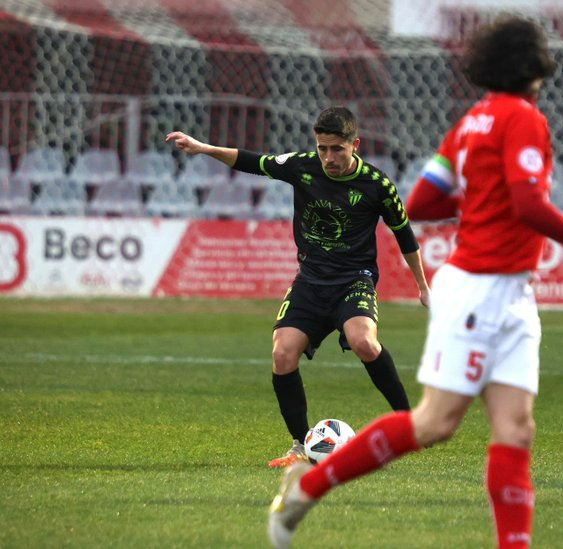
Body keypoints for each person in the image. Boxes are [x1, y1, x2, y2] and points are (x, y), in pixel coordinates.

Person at [267, 15, 563, 549]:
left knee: (515, 431)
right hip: (481, 287)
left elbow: (425, 203)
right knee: (435, 423)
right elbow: (527, 203)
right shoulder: (523, 119)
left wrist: (481, 196)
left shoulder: (468, 124)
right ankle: (310, 485)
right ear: (531, 65)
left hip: (507, 292)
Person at [165, 107, 431, 468]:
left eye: (337, 149)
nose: (328, 157)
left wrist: (422, 286)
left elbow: (405, 235)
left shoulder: (377, 185)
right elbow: (252, 162)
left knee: (364, 342)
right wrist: (203, 147)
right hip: (310, 281)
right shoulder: (301, 165)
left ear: (355, 144)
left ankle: (409, 426)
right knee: (282, 355)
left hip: (354, 280)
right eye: (322, 148)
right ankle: (299, 447)